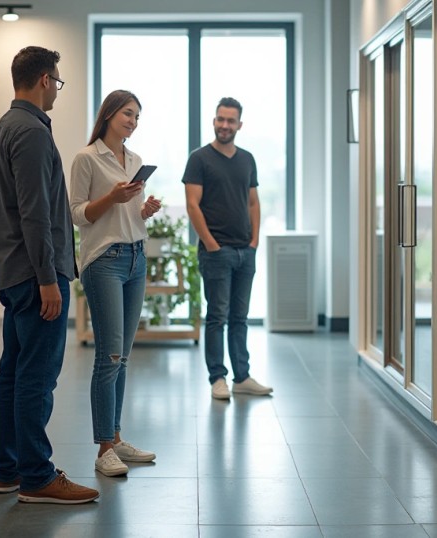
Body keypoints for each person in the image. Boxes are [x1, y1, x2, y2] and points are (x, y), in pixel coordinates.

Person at [0, 46, 99, 504]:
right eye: (58, 81)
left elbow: (4, 208)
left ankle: (6, 471)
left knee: (13, 373)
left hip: (14, 273)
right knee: (36, 376)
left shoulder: (0, 130)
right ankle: (37, 476)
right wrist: (49, 279)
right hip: (36, 277)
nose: (57, 91)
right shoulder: (30, 132)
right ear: (45, 80)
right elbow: (35, 214)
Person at [70, 90, 162, 477]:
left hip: (135, 258)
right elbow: (78, 215)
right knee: (108, 356)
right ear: (108, 114)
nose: (133, 121)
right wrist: (112, 196)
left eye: (138, 116)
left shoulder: (135, 160)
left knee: (122, 356)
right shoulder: (86, 158)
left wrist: (144, 211)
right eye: (128, 113)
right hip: (103, 262)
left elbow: (127, 218)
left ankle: (117, 437)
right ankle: (104, 447)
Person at [182, 97, 273, 400]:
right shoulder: (199, 158)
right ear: (214, 121)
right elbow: (192, 204)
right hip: (216, 252)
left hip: (245, 251)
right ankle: (217, 378)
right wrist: (211, 244)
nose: (225, 125)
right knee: (217, 316)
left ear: (239, 125)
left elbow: (253, 202)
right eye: (220, 119)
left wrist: (254, 240)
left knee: (240, 317)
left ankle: (242, 377)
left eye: (230, 121)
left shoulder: (247, 159)